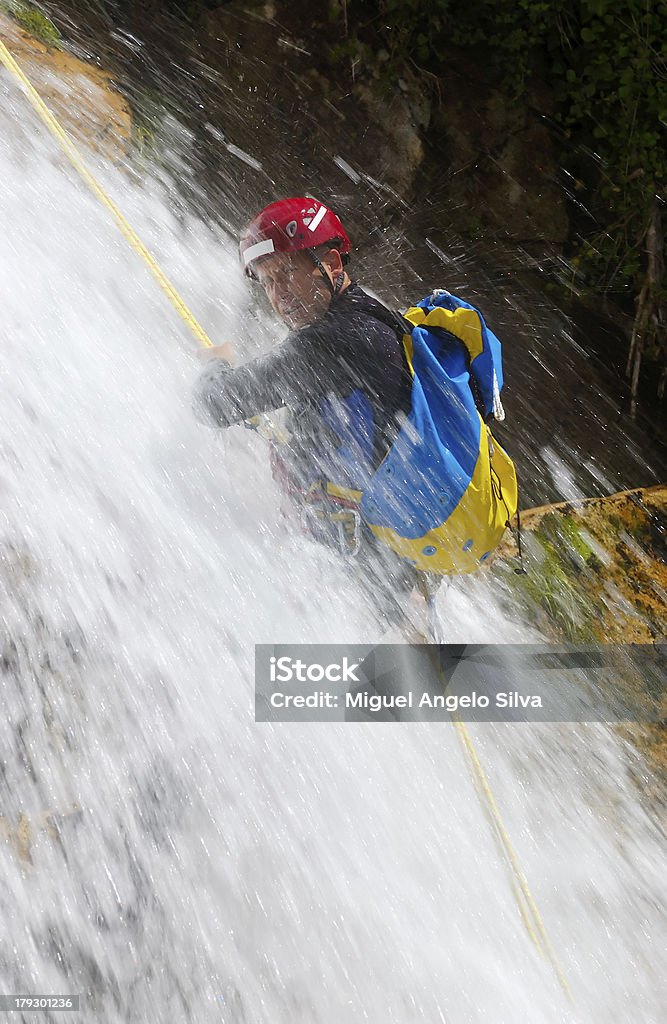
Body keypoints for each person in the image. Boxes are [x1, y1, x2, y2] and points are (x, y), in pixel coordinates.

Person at [193, 197, 517, 632]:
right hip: (385, 562)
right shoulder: (367, 317)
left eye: (288, 273)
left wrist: (213, 366)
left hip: (365, 573)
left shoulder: (336, 341)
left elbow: (217, 404)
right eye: (268, 282)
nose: (279, 295)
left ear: (330, 263)